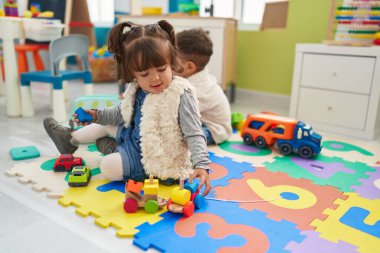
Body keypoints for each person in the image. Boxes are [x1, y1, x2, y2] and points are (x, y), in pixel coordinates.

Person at [44, 20, 211, 195]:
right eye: (145, 74)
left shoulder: (181, 94)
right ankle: (70, 139)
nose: (155, 78)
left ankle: (113, 148)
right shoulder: (137, 88)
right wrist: (95, 115)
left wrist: (201, 164)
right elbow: (120, 113)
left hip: (154, 159)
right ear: (133, 74)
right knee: (104, 123)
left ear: (171, 62)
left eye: (162, 69)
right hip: (133, 137)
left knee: (107, 167)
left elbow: (194, 132)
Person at [175, 28, 232, 145]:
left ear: (189, 67)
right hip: (201, 119)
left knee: (182, 137)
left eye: (171, 61)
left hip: (214, 129)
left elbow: (176, 112)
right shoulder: (192, 75)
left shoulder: (198, 91)